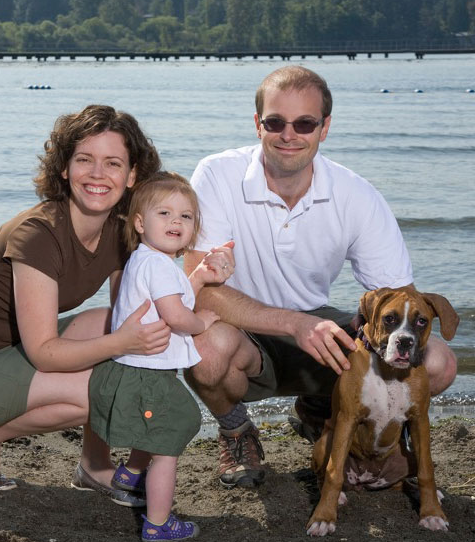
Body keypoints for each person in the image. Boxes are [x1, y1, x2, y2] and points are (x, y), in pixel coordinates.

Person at [183, 65, 457, 489]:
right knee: (203, 350)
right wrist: (295, 323)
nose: (288, 134)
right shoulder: (217, 175)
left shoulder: (356, 194)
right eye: (276, 122)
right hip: (243, 331)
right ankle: (237, 431)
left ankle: (322, 409)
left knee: (437, 362)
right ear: (258, 125)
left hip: (319, 330)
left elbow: (397, 296)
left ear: (324, 128)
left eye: (304, 123)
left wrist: (348, 329)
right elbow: (201, 293)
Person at [0, 104, 170, 505]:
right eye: (85, 160)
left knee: (107, 326)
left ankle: (93, 465)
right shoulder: (38, 234)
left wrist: (199, 278)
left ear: (132, 174)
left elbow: (130, 318)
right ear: (65, 167)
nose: (98, 174)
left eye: (113, 163)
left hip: (3, 360)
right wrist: (122, 345)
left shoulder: (120, 233)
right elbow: (45, 353)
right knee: (108, 386)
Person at [89, 171, 233, 542]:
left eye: (185, 216)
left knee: (152, 426)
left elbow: (172, 293)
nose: (176, 222)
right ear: (140, 222)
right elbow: (176, 315)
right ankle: (158, 523)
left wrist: (198, 278)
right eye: (164, 214)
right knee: (170, 438)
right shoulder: (158, 265)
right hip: (148, 375)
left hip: (134, 371)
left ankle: (130, 475)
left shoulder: (147, 259)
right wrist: (200, 323)